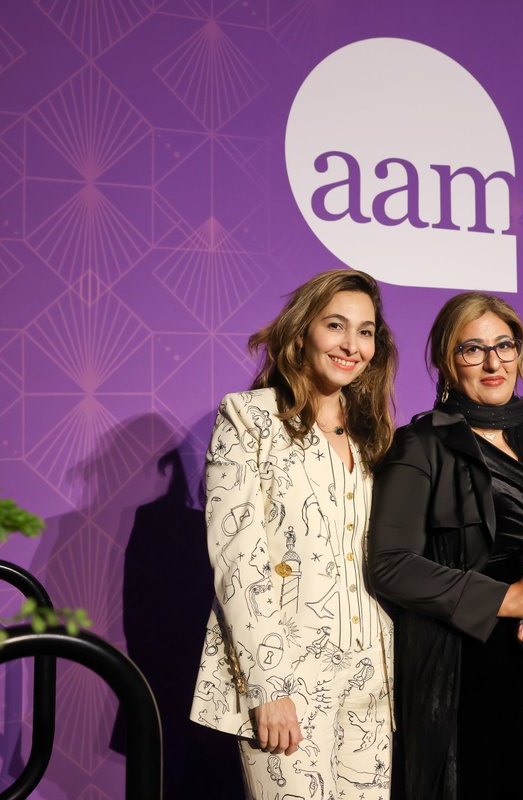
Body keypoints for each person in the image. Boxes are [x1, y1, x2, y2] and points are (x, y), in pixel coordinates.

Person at [368, 292, 523, 800]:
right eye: (472, 349)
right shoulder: (423, 445)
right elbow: (390, 566)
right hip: (466, 674)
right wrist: (507, 599)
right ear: (445, 361)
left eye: (505, 345)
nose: (494, 362)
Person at [190, 269, 397, 799]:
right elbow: (239, 563)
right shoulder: (249, 418)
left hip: (374, 679)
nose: (352, 345)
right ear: (302, 332)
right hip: (287, 679)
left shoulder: (375, 436)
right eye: (336, 325)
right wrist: (269, 687)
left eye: (366, 331)